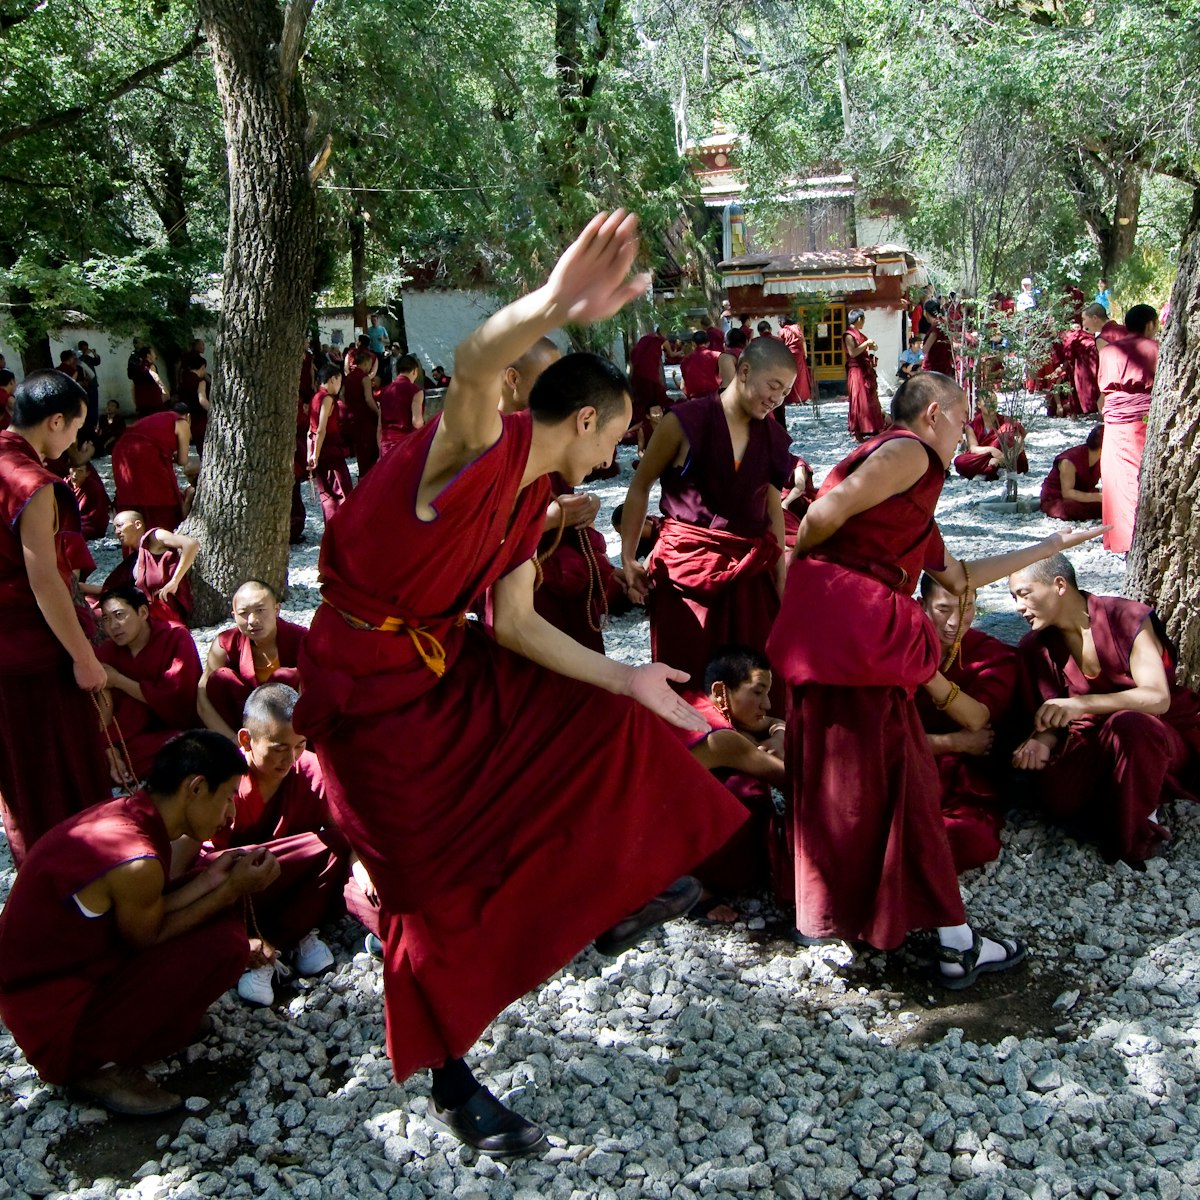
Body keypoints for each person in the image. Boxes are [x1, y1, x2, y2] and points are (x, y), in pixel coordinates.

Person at [293, 211, 749, 1157]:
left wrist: (625, 678)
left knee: (602, 717)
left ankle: (605, 892)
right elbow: (469, 362)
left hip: (445, 671)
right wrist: (553, 301)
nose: (614, 458)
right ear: (583, 417)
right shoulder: (475, 448)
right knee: (425, 887)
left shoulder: (535, 499)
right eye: (615, 437)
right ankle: (452, 1078)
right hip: (365, 697)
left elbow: (518, 623)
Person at [766, 371, 1103, 986]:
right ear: (931, 414)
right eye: (961, 417)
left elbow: (960, 576)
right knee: (889, 778)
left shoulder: (912, 510)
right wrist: (809, 575)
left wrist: (1051, 543)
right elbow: (822, 514)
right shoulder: (907, 451)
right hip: (852, 633)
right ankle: (950, 941)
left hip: (839, 639)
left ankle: (866, 921)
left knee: (860, 776)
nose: (967, 432)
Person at [0, 732, 277, 1115]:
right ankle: (98, 1066)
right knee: (225, 946)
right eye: (228, 796)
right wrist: (229, 889)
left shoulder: (130, 814)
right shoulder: (136, 859)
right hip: (57, 1022)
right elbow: (149, 935)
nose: (230, 813)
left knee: (217, 916)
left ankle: (151, 1029)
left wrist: (214, 881)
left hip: (59, 983)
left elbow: (152, 907)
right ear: (196, 788)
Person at [621, 335, 796, 704]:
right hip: (688, 570)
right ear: (744, 371)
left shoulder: (773, 436)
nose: (777, 399)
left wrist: (779, 574)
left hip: (748, 574)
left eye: (785, 393)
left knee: (755, 682)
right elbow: (640, 487)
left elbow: (772, 505)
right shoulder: (685, 421)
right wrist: (628, 556)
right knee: (689, 678)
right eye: (774, 386)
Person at [1011, 555, 1200, 866]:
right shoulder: (1035, 646)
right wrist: (1040, 741)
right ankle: (1125, 795)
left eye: (1024, 594)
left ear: (1059, 585)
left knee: (1131, 726)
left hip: (1156, 734)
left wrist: (1082, 704)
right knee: (1058, 797)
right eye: (1013, 597)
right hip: (1093, 741)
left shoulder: (1124, 617)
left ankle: (1136, 835)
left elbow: (1157, 698)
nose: (1018, 607)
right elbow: (1049, 713)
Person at [175, 685, 345, 1007]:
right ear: (245, 740)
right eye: (279, 748)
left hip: (286, 879)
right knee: (222, 866)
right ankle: (252, 946)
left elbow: (344, 831)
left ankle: (282, 939)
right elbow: (188, 859)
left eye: (299, 745)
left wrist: (364, 870)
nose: (290, 758)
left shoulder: (309, 769)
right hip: (234, 890)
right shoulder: (222, 779)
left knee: (335, 844)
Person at [0, 370, 110, 866]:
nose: (74, 442)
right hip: (33, 651)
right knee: (59, 768)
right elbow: (45, 580)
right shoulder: (31, 483)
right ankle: (75, 876)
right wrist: (85, 658)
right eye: (74, 430)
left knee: (19, 777)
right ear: (55, 420)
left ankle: (39, 874)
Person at [670, 646, 787, 920]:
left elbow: (774, 721)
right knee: (751, 791)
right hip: (660, 848)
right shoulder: (722, 739)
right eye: (758, 692)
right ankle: (690, 884)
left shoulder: (696, 702)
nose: (767, 704)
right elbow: (789, 780)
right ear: (722, 691)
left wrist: (779, 735)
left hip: (643, 831)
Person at [914, 576, 1017, 872]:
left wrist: (926, 673)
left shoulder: (991, 654)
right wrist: (953, 742)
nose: (956, 621)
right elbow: (877, 739)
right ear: (922, 606)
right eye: (944, 609)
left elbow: (977, 719)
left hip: (963, 778)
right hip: (900, 767)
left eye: (968, 607)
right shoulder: (895, 649)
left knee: (971, 840)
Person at [95, 586, 203, 786]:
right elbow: (100, 707)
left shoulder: (176, 637)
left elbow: (176, 697)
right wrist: (109, 748)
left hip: (170, 728)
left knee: (185, 747)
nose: (113, 626)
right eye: (106, 619)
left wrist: (119, 680)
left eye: (119, 615)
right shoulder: (107, 652)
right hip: (123, 739)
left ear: (143, 612)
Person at [198, 580, 307, 739]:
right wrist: (235, 743)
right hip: (243, 728)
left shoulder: (302, 640)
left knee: (288, 676)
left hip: (293, 731)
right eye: (243, 613)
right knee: (221, 678)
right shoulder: (226, 644)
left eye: (260, 610)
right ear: (234, 616)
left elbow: (317, 695)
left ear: (277, 609)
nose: (252, 620)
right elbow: (202, 699)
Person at [1098, 303, 1158, 553]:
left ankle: (1122, 538)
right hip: (1141, 422)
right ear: (1150, 324)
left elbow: (1104, 392)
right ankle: (1146, 535)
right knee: (1140, 477)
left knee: (1117, 480)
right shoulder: (1155, 349)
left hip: (1113, 425)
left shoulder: (1108, 352)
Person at [111, 404, 191, 531]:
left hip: (121, 451)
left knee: (132, 494)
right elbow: (183, 460)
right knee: (158, 495)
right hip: (146, 451)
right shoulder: (182, 422)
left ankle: (133, 535)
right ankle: (161, 536)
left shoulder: (155, 419)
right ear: (188, 416)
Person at [307, 363, 353, 523]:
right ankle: (342, 531)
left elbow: (309, 431)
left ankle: (333, 530)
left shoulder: (315, 397)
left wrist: (310, 454)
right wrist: (316, 454)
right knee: (341, 491)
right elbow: (321, 429)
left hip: (318, 447)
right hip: (329, 449)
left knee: (327, 493)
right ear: (333, 379)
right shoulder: (326, 398)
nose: (340, 385)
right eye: (340, 380)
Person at [953, 394, 1028, 480]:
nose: (991, 406)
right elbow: (973, 448)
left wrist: (1002, 459)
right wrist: (991, 450)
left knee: (1004, 434)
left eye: (994, 402)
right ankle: (993, 470)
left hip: (1007, 457)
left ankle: (988, 470)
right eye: (987, 403)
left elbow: (1020, 442)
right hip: (985, 456)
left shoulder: (1006, 421)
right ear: (979, 404)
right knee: (959, 461)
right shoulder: (972, 426)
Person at [1040, 426, 1103, 520]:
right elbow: (1067, 493)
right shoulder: (1069, 460)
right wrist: (1097, 497)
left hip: (1084, 494)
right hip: (1058, 498)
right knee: (1069, 508)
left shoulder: (1101, 459)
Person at [340, 341, 380, 477]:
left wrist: (351, 406)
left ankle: (362, 477)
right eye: (369, 364)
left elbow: (341, 396)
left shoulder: (348, 377)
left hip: (352, 416)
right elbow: (369, 399)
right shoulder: (364, 378)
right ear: (365, 363)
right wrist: (378, 412)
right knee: (370, 450)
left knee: (360, 452)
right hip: (366, 418)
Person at [844, 309, 884, 441]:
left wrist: (873, 346)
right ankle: (858, 431)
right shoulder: (849, 335)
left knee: (869, 398)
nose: (864, 322)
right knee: (858, 399)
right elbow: (853, 353)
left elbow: (872, 347)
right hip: (856, 371)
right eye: (864, 320)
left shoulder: (859, 334)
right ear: (859, 319)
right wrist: (866, 344)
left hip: (865, 370)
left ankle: (872, 428)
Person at [377, 354, 425, 455]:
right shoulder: (415, 391)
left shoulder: (385, 391)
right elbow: (417, 422)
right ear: (415, 371)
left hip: (386, 444)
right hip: (406, 444)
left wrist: (380, 451)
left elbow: (380, 426)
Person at [66, 441, 112, 539]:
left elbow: (95, 517)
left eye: (80, 471)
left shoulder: (94, 488)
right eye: (73, 470)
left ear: (87, 473)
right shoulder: (64, 483)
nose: (75, 475)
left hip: (89, 525)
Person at [777, 317, 813, 421]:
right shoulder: (797, 328)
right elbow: (803, 341)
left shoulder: (783, 331)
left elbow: (781, 344)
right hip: (799, 354)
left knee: (791, 377)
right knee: (801, 377)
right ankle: (802, 397)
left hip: (789, 355)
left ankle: (792, 399)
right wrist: (805, 353)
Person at [176, 353, 210, 452]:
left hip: (187, 417)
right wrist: (213, 411)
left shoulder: (184, 379)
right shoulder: (200, 382)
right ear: (202, 367)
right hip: (200, 417)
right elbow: (202, 400)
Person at [679, 329, 723, 403]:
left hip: (694, 400)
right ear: (708, 343)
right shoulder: (718, 356)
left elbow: (683, 386)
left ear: (693, 344)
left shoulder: (685, 361)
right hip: (715, 398)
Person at [128, 346, 166, 416]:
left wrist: (136, 403)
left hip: (142, 403)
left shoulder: (136, 369)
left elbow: (133, 388)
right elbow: (158, 382)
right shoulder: (151, 367)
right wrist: (165, 393)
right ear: (148, 355)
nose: (155, 355)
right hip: (153, 401)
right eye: (153, 353)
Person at [921, 300, 954, 375]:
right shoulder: (945, 323)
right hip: (946, 366)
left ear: (925, 312)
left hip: (933, 368)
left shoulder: (936, 327)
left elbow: (925, 350)